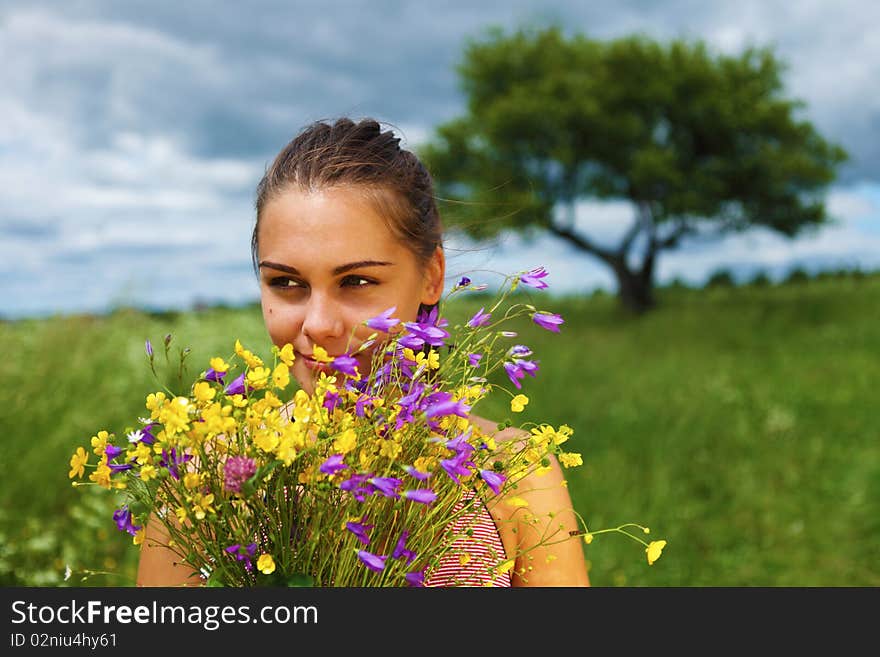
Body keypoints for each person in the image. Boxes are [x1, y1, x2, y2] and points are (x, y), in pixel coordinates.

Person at [136, 117, 590, 587]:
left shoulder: (512, 474)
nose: (318, 324)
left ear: (432, 276)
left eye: (357, 282)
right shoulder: (206, 482)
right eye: (286, 283)